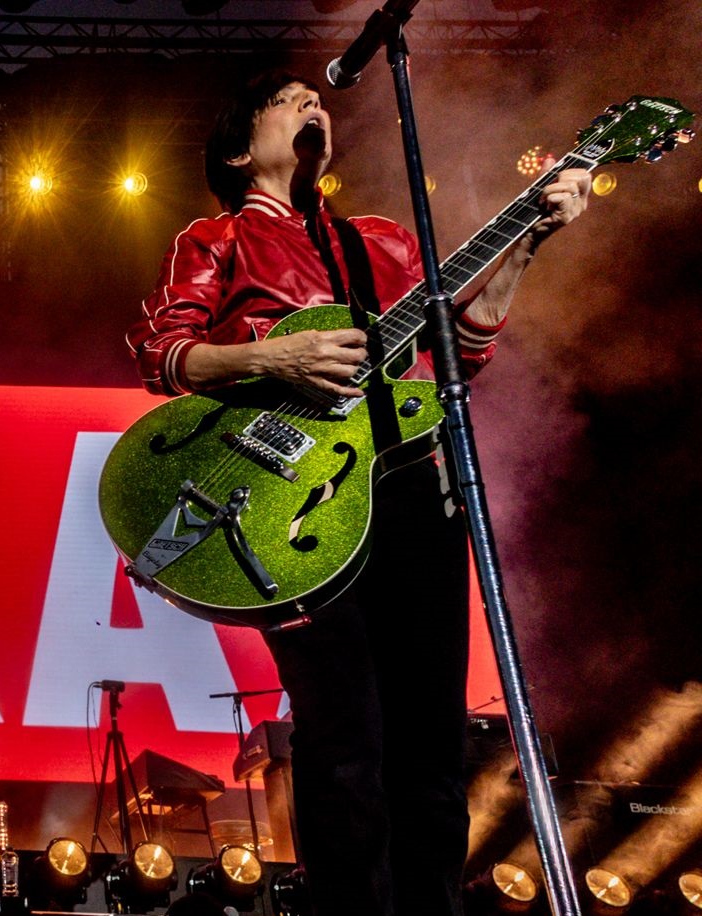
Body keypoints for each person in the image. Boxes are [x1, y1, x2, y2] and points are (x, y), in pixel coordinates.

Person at [126, 70, 590, 916]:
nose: (314, 105)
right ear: (240, 150)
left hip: (411, 494)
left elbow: (460, 355)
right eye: (287, 100)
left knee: (433, 744)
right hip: (288, 509)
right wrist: (273, 357)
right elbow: (161, 353)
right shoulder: (217, 237)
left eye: (319, 99)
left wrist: (527, 243)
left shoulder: (382, 242)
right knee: (344, 737)